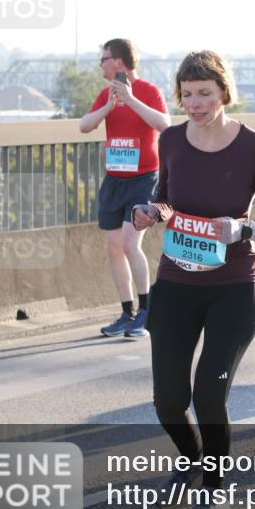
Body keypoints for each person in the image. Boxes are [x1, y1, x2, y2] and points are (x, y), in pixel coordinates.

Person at [132, 50, 255, 509]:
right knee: (168, 400)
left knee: (208, 394)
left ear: (224, 92)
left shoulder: (253, 145)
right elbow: (164, 198)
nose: (195, 103)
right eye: (187, 94)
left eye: (204, 93)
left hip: (234, 287)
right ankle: (191, 459)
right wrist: (150, 212)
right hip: (176, 282)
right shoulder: (171, 140)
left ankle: (216, 486)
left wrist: (243, 230)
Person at [80, 39, 171, 339]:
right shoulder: (106, 93)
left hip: (143, 178)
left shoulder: (148, 91)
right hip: (114, 179)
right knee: (114, 248)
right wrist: (108, 106)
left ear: (118, 61)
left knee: (131, 244)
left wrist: (130, 100)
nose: (101, 64)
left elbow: (165, 124)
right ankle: (127, 312)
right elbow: (84, 126)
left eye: (104, 59)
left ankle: (146, 311)